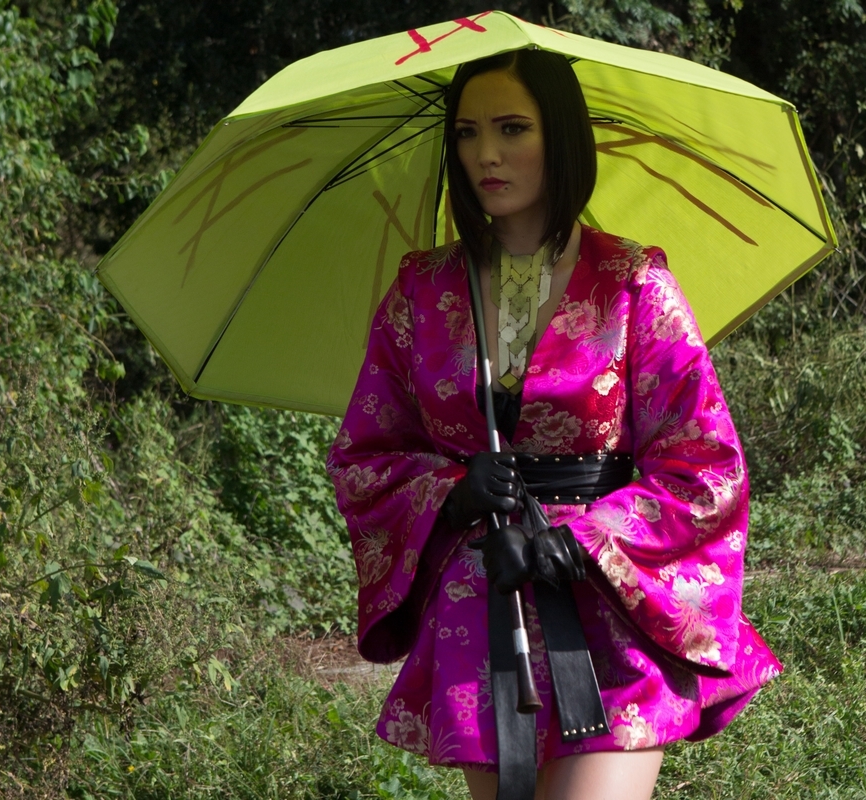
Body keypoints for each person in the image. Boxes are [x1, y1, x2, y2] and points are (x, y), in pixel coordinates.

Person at [326, 48, 781, 800]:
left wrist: (583, 541)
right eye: (467, 133)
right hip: (483, 604)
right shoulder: (419, 292)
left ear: (561, 137)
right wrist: (452, 493)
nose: (486, 153)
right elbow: (364, 459)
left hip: (608, 602)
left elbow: (706, 467)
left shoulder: (634, 284)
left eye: (512, 128)